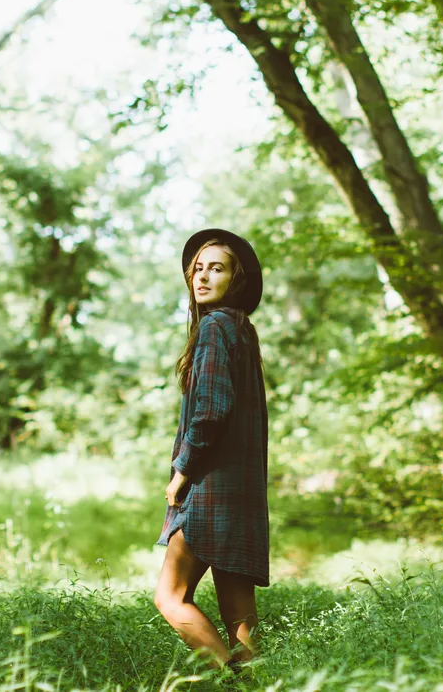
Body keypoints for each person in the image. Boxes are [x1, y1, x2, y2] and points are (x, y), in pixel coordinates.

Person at [154, 228, 270, 671]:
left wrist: (182, 470)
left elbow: (213, 409)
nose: (202, 277)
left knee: (170, 596)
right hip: (242, 494)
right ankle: (256, 681)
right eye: (197, 269)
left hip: (210, 494)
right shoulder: (244, 330)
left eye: (215, 269)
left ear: (234, 279)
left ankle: (230, 683)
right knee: (241, 618)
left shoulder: (215, 329)